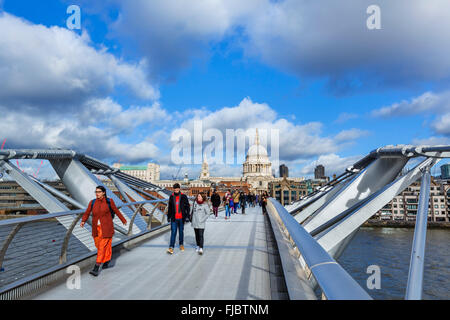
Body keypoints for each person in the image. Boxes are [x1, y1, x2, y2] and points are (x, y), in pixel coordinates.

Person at [80, 186, 127, 276]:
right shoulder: (92, 202)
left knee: (102, 247)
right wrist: (83, 221)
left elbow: (116, 210)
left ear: (104, 193)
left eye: (99, 192)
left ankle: (96, 268)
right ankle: (106, 260)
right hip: (96, 228)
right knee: (99, 246)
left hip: (106, 228)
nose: (97, 193)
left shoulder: (109, 201)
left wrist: (123, 220)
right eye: (96, 192)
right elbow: (87, 212)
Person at [166, 183, 190, 254]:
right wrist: (168, 217)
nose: (176, 191)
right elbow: (170, 208)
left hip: (181, 218)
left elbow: (187, 207)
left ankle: (181, 244)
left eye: (177, 189)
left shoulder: (183, 196)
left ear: (179, 189)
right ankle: (171, 247)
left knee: (181, 232)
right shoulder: (171, 197)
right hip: (174, 218)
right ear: (173, 189)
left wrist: (187, 216)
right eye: (175, 190)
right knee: (173, 232)